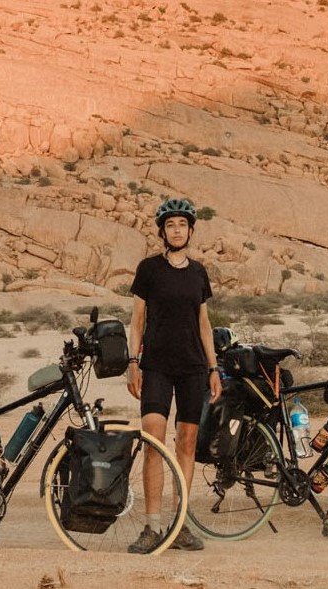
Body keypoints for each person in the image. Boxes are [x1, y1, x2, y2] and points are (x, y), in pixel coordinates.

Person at [126, 197, 221, 553]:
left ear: (191, 230)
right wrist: (133, 363)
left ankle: (179, 525)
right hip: (156, 367)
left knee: (187, 444)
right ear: (163, 232)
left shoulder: (198, 272)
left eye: (182, 225)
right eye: (171, 225)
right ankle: (152, 527)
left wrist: (213, 369)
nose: (177, 230)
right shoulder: (149, 269)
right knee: (153, 441)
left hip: (194, 368)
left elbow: (204, 324)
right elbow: (136, 321)